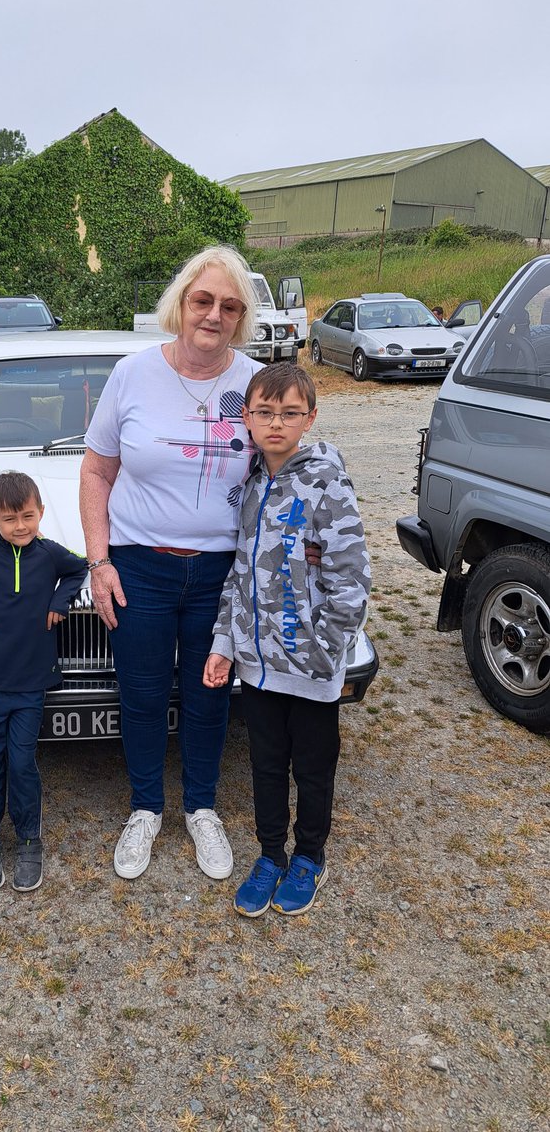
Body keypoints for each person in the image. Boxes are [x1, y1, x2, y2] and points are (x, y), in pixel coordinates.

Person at [80, 244, 264, 882]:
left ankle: (203, 807)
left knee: (212, 689)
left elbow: (284, 469)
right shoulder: (132, 375)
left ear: (240, 319)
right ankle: (146, 807)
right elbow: (98, 472)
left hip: (220, 570)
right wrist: (99, 561)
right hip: (140, 566)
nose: (213, 315)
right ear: (181, 304)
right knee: (143, 690)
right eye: (203, 300)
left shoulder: (256, 383)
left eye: (229, 307)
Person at [204, 362, 370, 918]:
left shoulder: (327, 483)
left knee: (313, 766)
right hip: (257, 664)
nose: (276, 423)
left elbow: (351, 578)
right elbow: (238, 574)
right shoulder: (250, 485)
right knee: (267, 763)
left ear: (310, 417)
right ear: (247, 418)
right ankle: (271, 854)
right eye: (264, 413)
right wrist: (225, 643)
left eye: (290, 413)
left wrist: (326, 650)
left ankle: (309, 857)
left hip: (312, 666)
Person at [0, 471, 87, 893]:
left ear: (41, 513)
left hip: (33, 682)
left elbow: (80, 568)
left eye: (28, 516)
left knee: (21, 763)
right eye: (10, 519)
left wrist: (59, 600)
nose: (20, 526)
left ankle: (30, 839)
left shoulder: (51, 553)